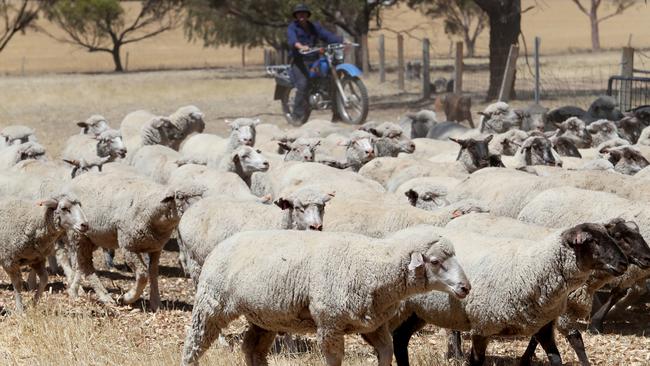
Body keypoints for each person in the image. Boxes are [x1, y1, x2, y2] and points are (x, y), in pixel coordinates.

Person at [287, 3, 343, 123]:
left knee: (330, 81)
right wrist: (300, 46)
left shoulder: (313, 26)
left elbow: (327, 36)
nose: (301, 15)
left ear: (307, 15)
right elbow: (293, 40)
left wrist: (342, 41)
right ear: (296, 15)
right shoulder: (292, 27)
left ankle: (337, 114)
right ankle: (296, 117)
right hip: (299, 61)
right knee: (303, 85)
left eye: (304, 13)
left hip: (314, 60)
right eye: (299, 13)